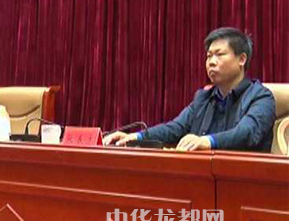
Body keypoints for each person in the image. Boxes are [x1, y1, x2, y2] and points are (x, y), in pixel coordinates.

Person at [103, 27, 276, 152]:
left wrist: (207, 141)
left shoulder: (261, 97)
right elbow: (175, 128)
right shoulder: (203, 98)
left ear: (242, 59)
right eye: (209, 56)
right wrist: (136, 137)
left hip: (243, 181)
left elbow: (246, 133)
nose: (211, 62)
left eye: (219, 54)